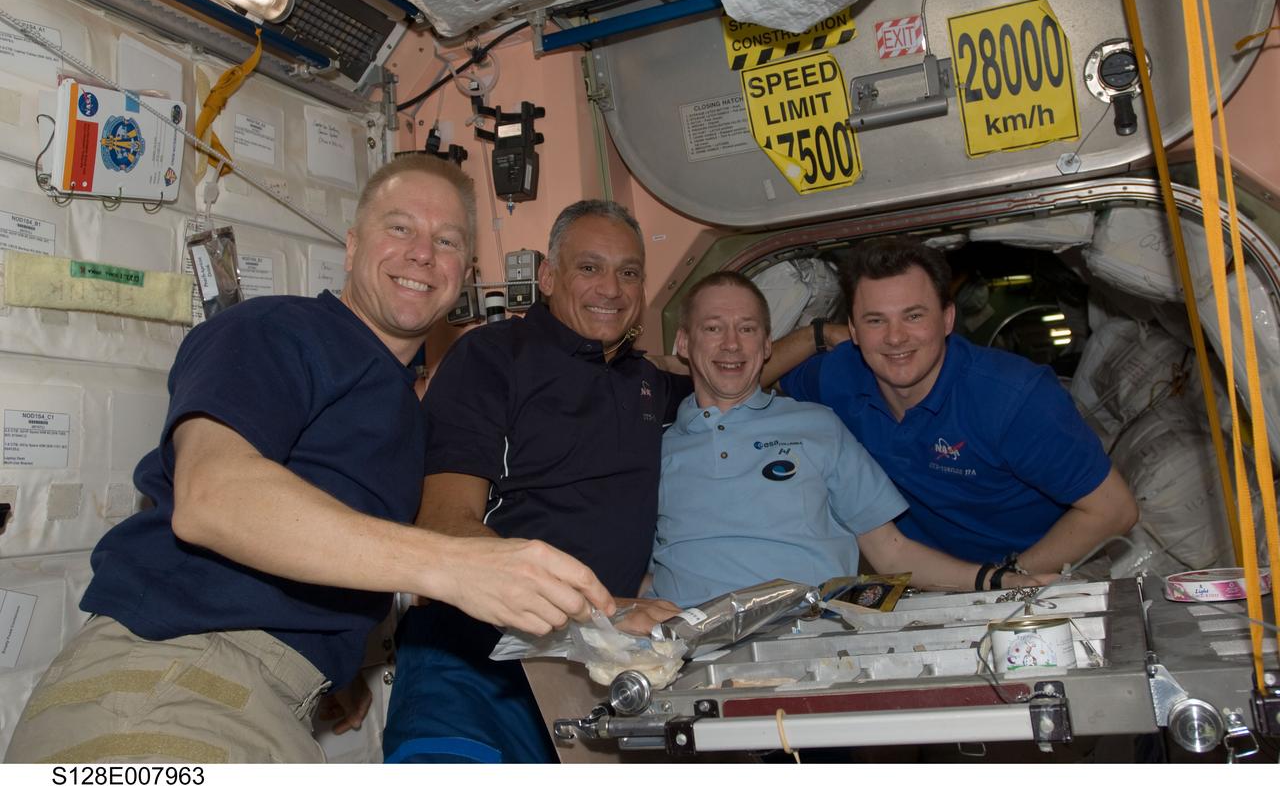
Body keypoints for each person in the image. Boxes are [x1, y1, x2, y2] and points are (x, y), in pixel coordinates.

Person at [4, 155, 615, 765]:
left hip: (266, 694)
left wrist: (335, 657)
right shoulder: (274, 329)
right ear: (351, 247)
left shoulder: (400, 406)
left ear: (465, 273)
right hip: (171, 680)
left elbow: (326, 537)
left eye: (447, 240)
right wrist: (457, 565)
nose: (423, 253)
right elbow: (213, 499)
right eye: (400, 228)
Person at [383, 199, 690, 764]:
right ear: (547, 277)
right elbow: (445, 524)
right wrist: (602, 608)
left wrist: (824, 338)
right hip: (473, 663)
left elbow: (734, 373)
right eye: (589, 267)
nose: (612, 288)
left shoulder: (646, 380)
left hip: (590, 667)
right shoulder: (492, 356)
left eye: (629, 273)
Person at [650, 272, 1053, 606]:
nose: (732, 344)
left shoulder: (817, 425)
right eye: (713, 328)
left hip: (806, 643)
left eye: (747, 328)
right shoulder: (651, 448)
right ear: (684, 343)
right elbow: (632, 566)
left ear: (768, 343)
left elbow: (891, 551)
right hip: (687, 651)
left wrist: (994, 580)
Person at [773, 237, 1139, 576]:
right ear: (853, 330)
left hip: (1042, 568)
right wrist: (816, 335)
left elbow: (1114, 510)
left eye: (913, 316)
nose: (895, 337)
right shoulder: (843, 375)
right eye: (875, 321)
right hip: (927, 577)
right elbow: (748, 380)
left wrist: (1004, 580)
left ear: (947, 318)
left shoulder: (1013, 398)